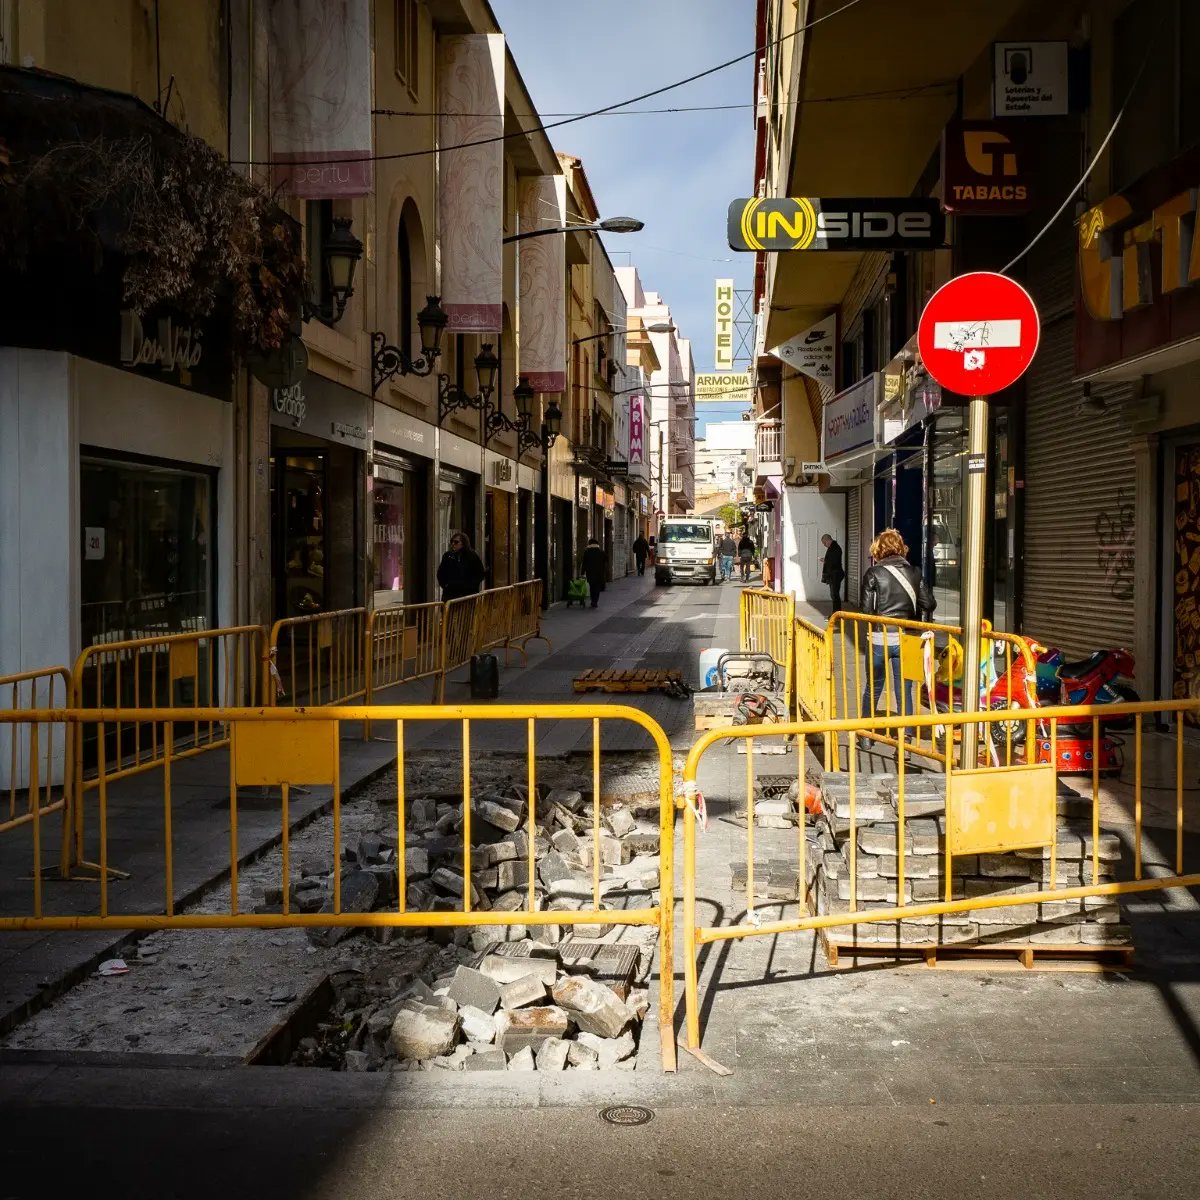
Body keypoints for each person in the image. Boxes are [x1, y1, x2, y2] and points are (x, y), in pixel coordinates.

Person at [859, 528, 935, 720]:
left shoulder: (873, 573)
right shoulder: (915, 572)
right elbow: (929, 603)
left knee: (873, 687)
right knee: (904, 690)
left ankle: (866, 734)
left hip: (879, 637)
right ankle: (906, 739)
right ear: (901, 547)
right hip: (907, 638)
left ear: (878, 549)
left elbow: (866, 611)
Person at [436, 531, 485, 602]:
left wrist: (471, 587)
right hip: (450, 594)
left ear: (463, 543)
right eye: (452, 541)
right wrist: (445, 585)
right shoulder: (448, 556)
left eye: (456, 542)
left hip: (467, 595)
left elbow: (480, 573)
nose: (453, 544)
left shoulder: (472, 556)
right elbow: (440, 573)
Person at [820, 533, 845, 611]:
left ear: (828, 540)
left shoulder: (835, 548)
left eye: (824, 543)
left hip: (835, 574)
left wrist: (825, 560)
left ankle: (836, 613)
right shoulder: (832, 548)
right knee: (834, 594)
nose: (824, 545)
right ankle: (836, 612)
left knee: (834, 594)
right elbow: (832, 559)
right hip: (834, 574)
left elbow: (834, 561)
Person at [580, 537, 607, 609]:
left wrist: (582, 572)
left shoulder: (587, 552)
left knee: (592, 587)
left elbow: (584, 563)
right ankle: (595, 601)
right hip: (599, 573)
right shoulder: (601, 552)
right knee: (597, 587)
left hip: (590, 573)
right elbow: (605, 562)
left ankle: (593, 601)